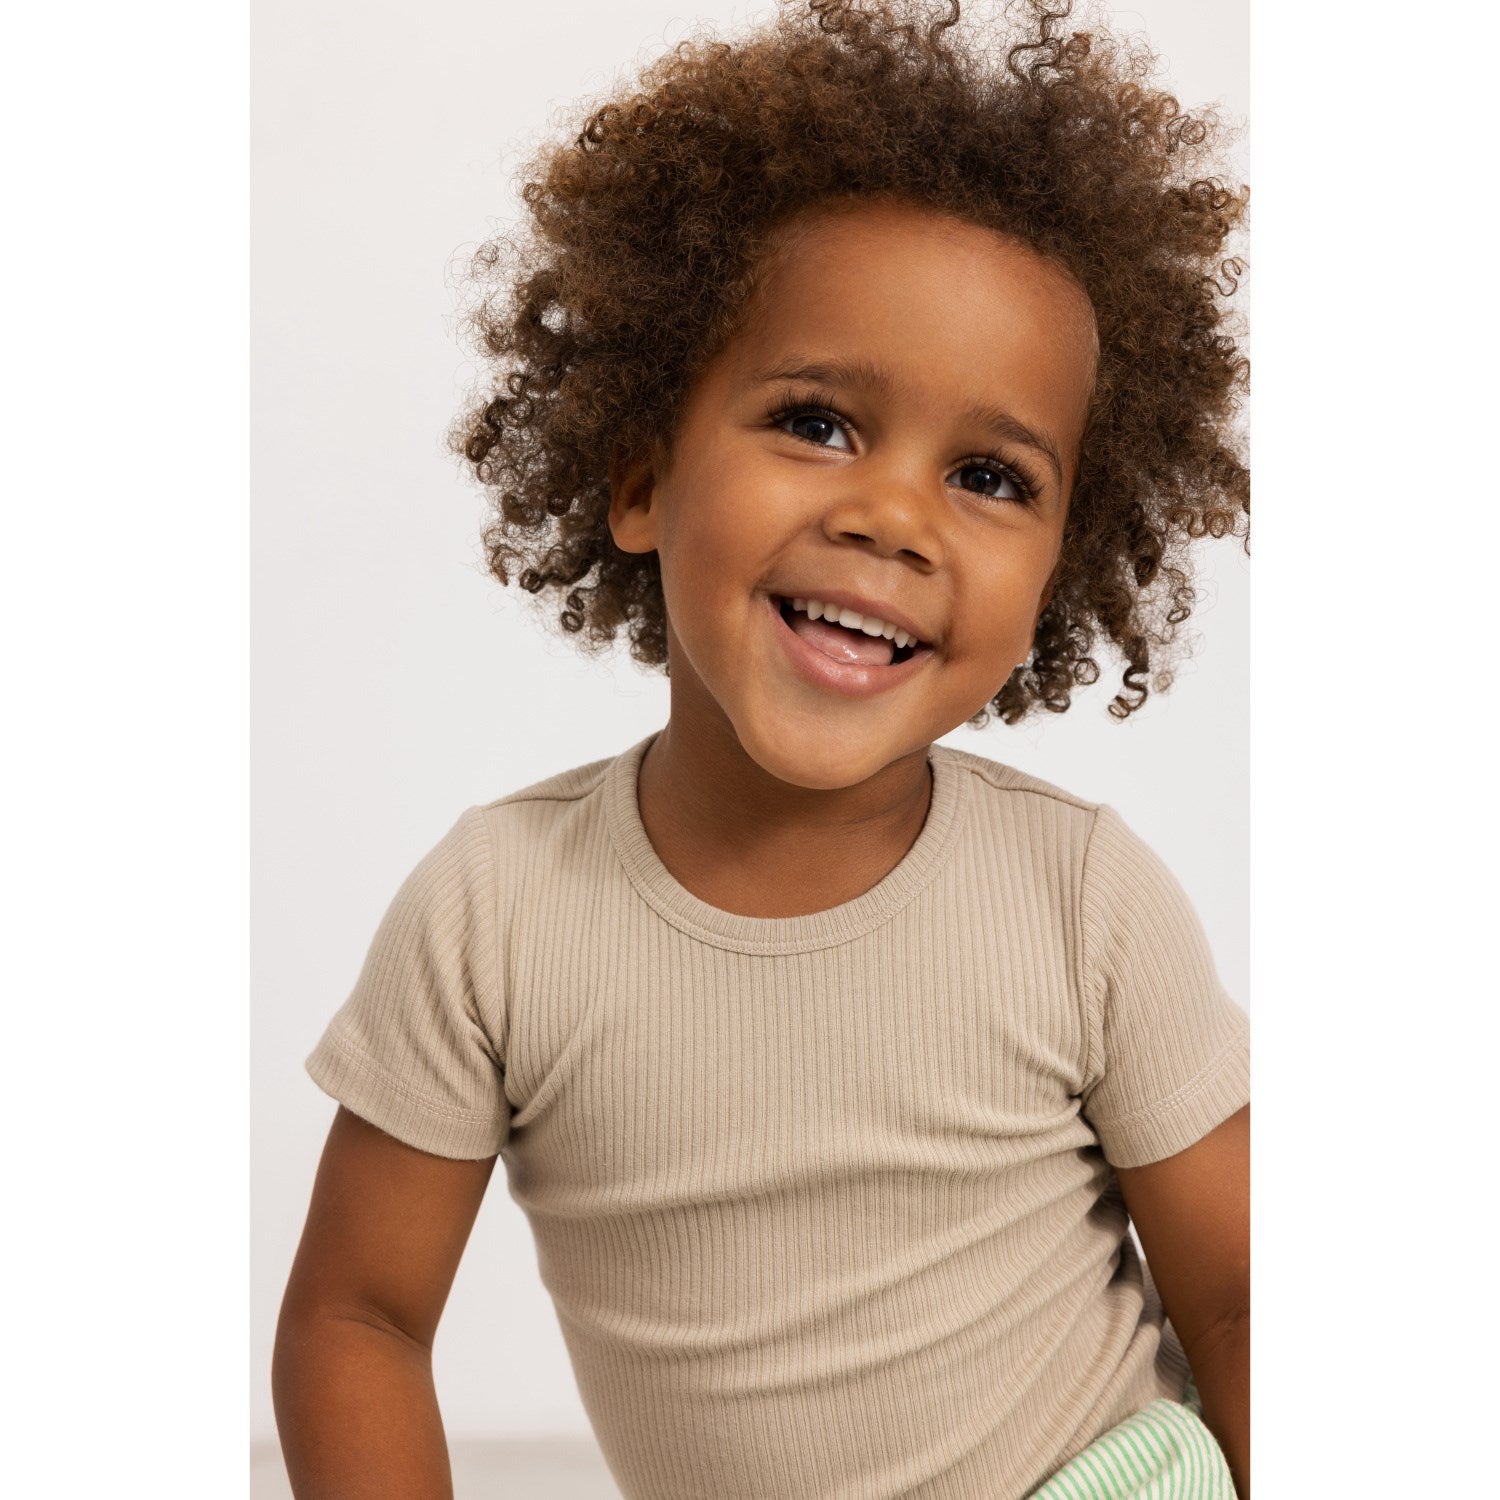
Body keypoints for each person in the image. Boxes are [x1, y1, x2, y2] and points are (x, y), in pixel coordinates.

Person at [271, 2, 1250, 1495]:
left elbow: (1242, 1303)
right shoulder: (495, 913)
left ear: (1060, 567)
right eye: (817, 422)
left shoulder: (1083, 900)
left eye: (990, 476)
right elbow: (359, 1317)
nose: (895, 518)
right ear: (643, 477)